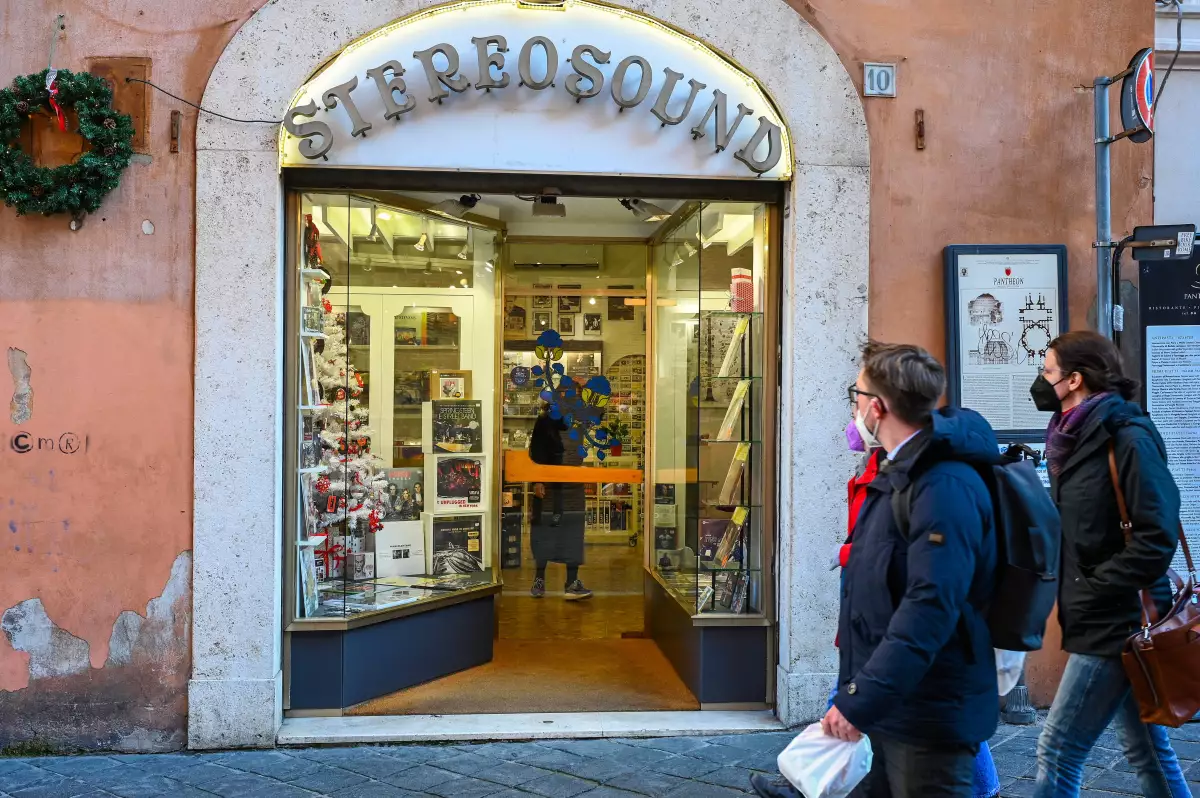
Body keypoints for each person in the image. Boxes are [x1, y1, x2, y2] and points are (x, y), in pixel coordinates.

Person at [832, 341, 1001, 796]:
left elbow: (928, 606)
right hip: (893, 706)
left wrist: (858, 699)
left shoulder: (942, 484)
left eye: (857, 394)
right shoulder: (897, 472)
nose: (855, 407)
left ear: (877, 407)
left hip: (929, 714)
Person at [1029, 331, 1190, 798]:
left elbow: (1157, 536)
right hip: (1101, 615)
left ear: (1074, 380)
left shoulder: (1127, 437)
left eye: (1047, 372)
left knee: (1058, 750)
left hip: (1118, 621)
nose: (1040, 381)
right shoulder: (1073, 438)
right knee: (1148, 753)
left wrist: (1098, 586)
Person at [528, 401, 591, 600]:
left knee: (572, 536)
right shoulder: (545, 422)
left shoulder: (579, 422)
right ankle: (539, 579)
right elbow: (534, 453)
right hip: (548, 489)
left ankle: (572, 582)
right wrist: (537, 480)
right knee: (544, 535)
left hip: (573, 490)